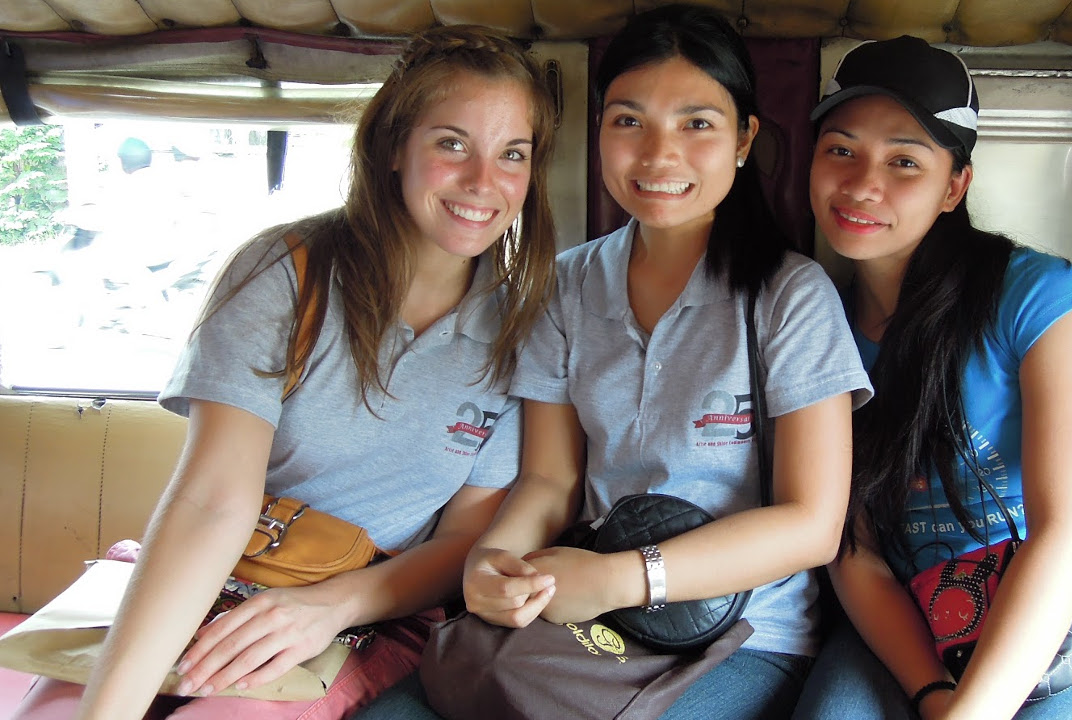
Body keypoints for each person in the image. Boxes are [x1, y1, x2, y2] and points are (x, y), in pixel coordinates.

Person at [15, 25, 558, 720]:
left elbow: (464, 539)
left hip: (366, 609)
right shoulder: (288, 271)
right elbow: (212, 501)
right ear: (394, 147)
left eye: (512, 153)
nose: (484, 182)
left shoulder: (522, 329)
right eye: (451, 143)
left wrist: (331, 606)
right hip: (214, 571)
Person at [357, 5, 871, 719]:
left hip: (744, 636)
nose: (660, 156)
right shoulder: (566, 286)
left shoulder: (788, 296)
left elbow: (813, 523)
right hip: (591, 618)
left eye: (697, 124)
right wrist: (491, 562)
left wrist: (628, 579)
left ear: (745, 139)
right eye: (629, 121)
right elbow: (549, 479)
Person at [792, 36, 1072, 720]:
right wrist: (932, 693)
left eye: (904, 161)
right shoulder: (810, 325)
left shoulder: (1042, 299)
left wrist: (971, 712)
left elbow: (1064, 533)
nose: (863, 183)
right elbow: (853, 550)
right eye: (841, 149)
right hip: (913, 636)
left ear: (956, 186)